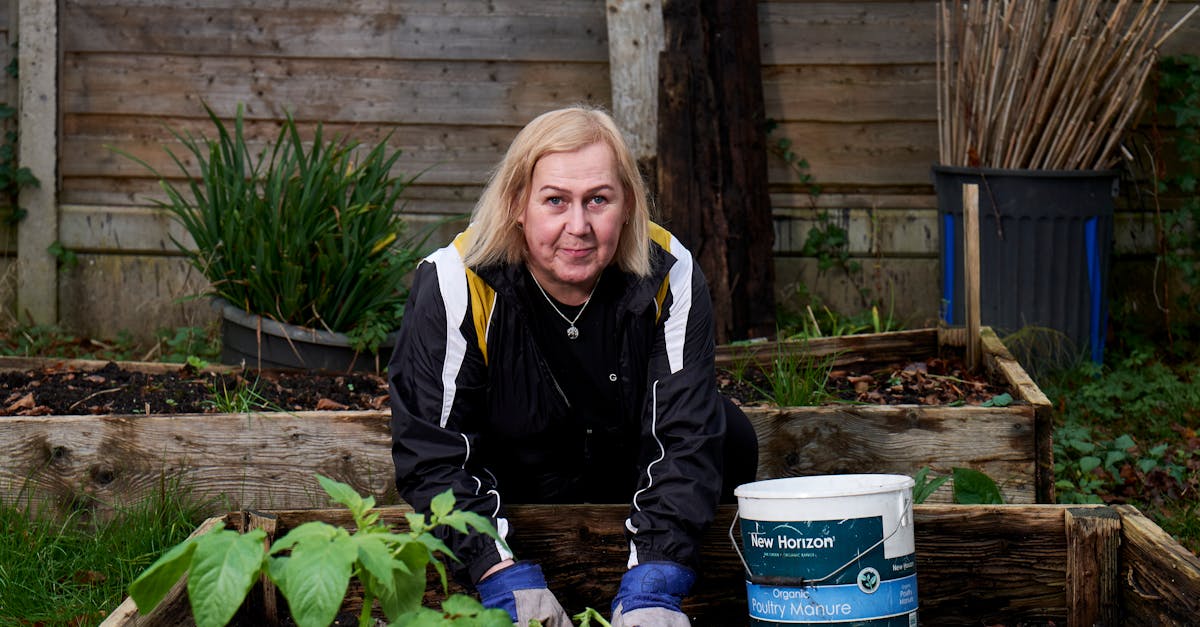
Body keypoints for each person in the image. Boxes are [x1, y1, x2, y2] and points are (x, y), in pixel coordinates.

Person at [388, 105, 758, 627]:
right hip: (515, 487)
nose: (578, 226)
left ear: (627, 205)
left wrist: (657, 580)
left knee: (731, 432)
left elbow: (685, 434)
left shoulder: (668, 271)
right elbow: (433, 451)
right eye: (555, 200)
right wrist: (495, 570)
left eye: (598, 200)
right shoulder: (455, 280)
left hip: (626, 473)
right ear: (518, 203)